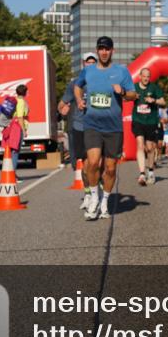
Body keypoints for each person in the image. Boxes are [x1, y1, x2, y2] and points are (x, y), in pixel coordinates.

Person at [73, 36, 136, 221]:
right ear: (97, 50)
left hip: (113, 128)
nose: (104, 52)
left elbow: (133, 94)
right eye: (101, 48)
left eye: (107, 49)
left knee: (110, 168)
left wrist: (122, 92)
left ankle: (104, 202)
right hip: (92, 125)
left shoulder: (121, 71)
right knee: (92, 163)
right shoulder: (88, 70)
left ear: (112, 51)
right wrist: (79, 100)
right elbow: (77, 86)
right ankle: (94, 198)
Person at [60, 53, 97, 210]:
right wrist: (62, 108)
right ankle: (88, 193)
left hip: (98, 126)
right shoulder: (75, 83)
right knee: (86, 164)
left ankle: (97, 193)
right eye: (88, 62)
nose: (90, 64)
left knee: (97, 162)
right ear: (83, 64)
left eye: (93, 62)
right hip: (80, 126)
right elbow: (62, 103)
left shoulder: (102, 81)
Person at [131, 68, 165, 186]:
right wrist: (132, 97)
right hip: (138, 120)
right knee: (140, 144)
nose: (146, 78)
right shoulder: (134, 87)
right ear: (140, 76)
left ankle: (150, 171)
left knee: (150, 148)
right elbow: (125, 98)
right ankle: (142, 173)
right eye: (144, 76)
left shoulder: (154, 87)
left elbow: (163, 102)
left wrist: (154, 100)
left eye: (148, 76)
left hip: (151, 121)